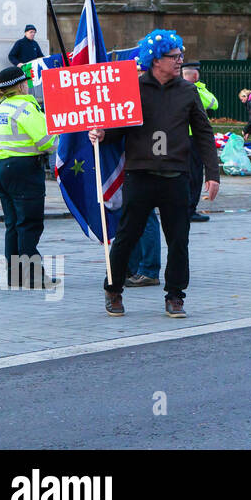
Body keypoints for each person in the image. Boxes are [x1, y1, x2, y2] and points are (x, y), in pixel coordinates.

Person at [91, 30, 219, 319]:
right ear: (156, 60)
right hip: (140, 175)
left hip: (175, 176)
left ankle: (175, 296)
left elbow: (203, 133)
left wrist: (213, 173)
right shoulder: (134, 88)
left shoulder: (188, 92)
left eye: (180, 56)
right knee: (127, 235)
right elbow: (119, 128)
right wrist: (101, 133)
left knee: (178, 240)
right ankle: (113, 289)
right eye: (174, 57)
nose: (180, 61)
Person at [0, 66, 57, 289]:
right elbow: (47, 141)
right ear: (21, 85)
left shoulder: (0, 109)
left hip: (2, 167)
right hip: (24, 169)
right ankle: (33, 276)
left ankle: (16, 275)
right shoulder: (25, 107)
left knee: (13, 224)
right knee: (29, 223)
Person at [182, 61, 218, 222]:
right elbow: (213, 103)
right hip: (193, 138)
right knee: (194, 175)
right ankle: (189, 210)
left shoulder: (177, 89)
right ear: (195, 76)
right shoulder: (194, 90)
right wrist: (199, 87)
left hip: (180, 138)